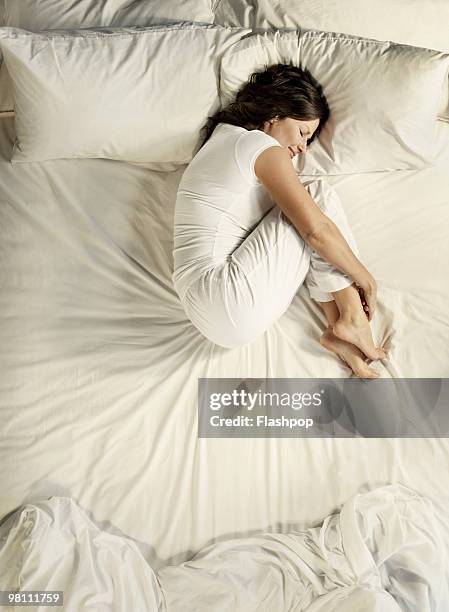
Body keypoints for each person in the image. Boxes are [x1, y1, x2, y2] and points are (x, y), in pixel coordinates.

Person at [172, 62, 388, 378]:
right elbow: (316, 231)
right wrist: (365, 277)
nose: (301, 148)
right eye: (302, 132)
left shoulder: (221, 141)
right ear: (275, 113)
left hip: (205, 311)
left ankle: (341, 332)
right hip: (224, 296)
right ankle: (353, 319)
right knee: (315, 194)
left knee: (304, 212)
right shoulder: (256, 144)